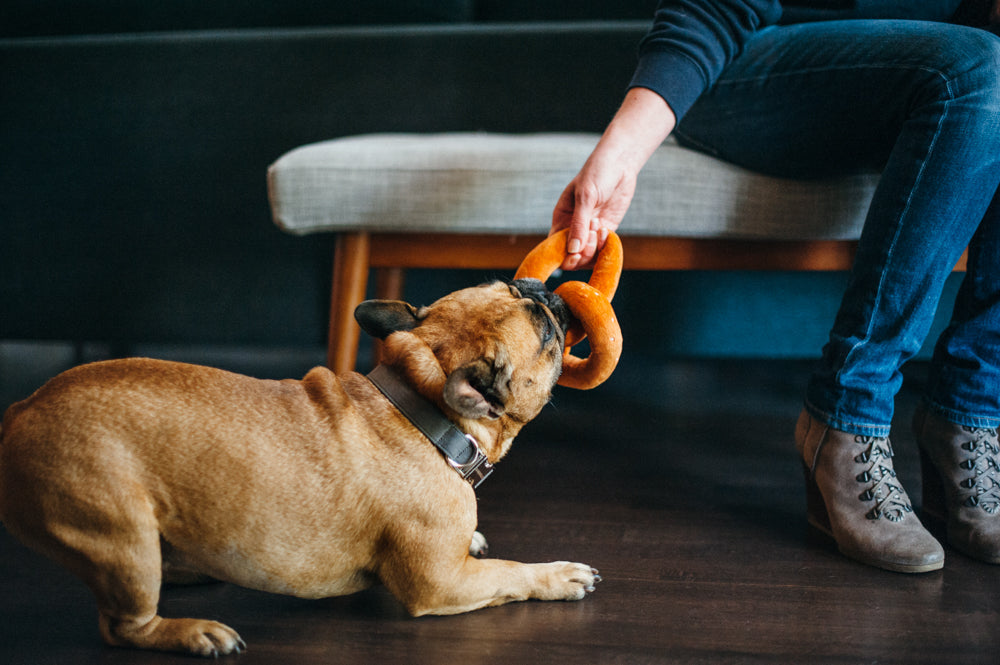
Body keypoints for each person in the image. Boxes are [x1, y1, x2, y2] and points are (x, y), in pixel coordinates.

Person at [552, 0, 1000, 572]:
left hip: (948, 93)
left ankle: (968, 413)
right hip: (753, 71)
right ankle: (846, 418)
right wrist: (620, 155)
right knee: (976, 63)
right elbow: (711, 9)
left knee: (984, 64)